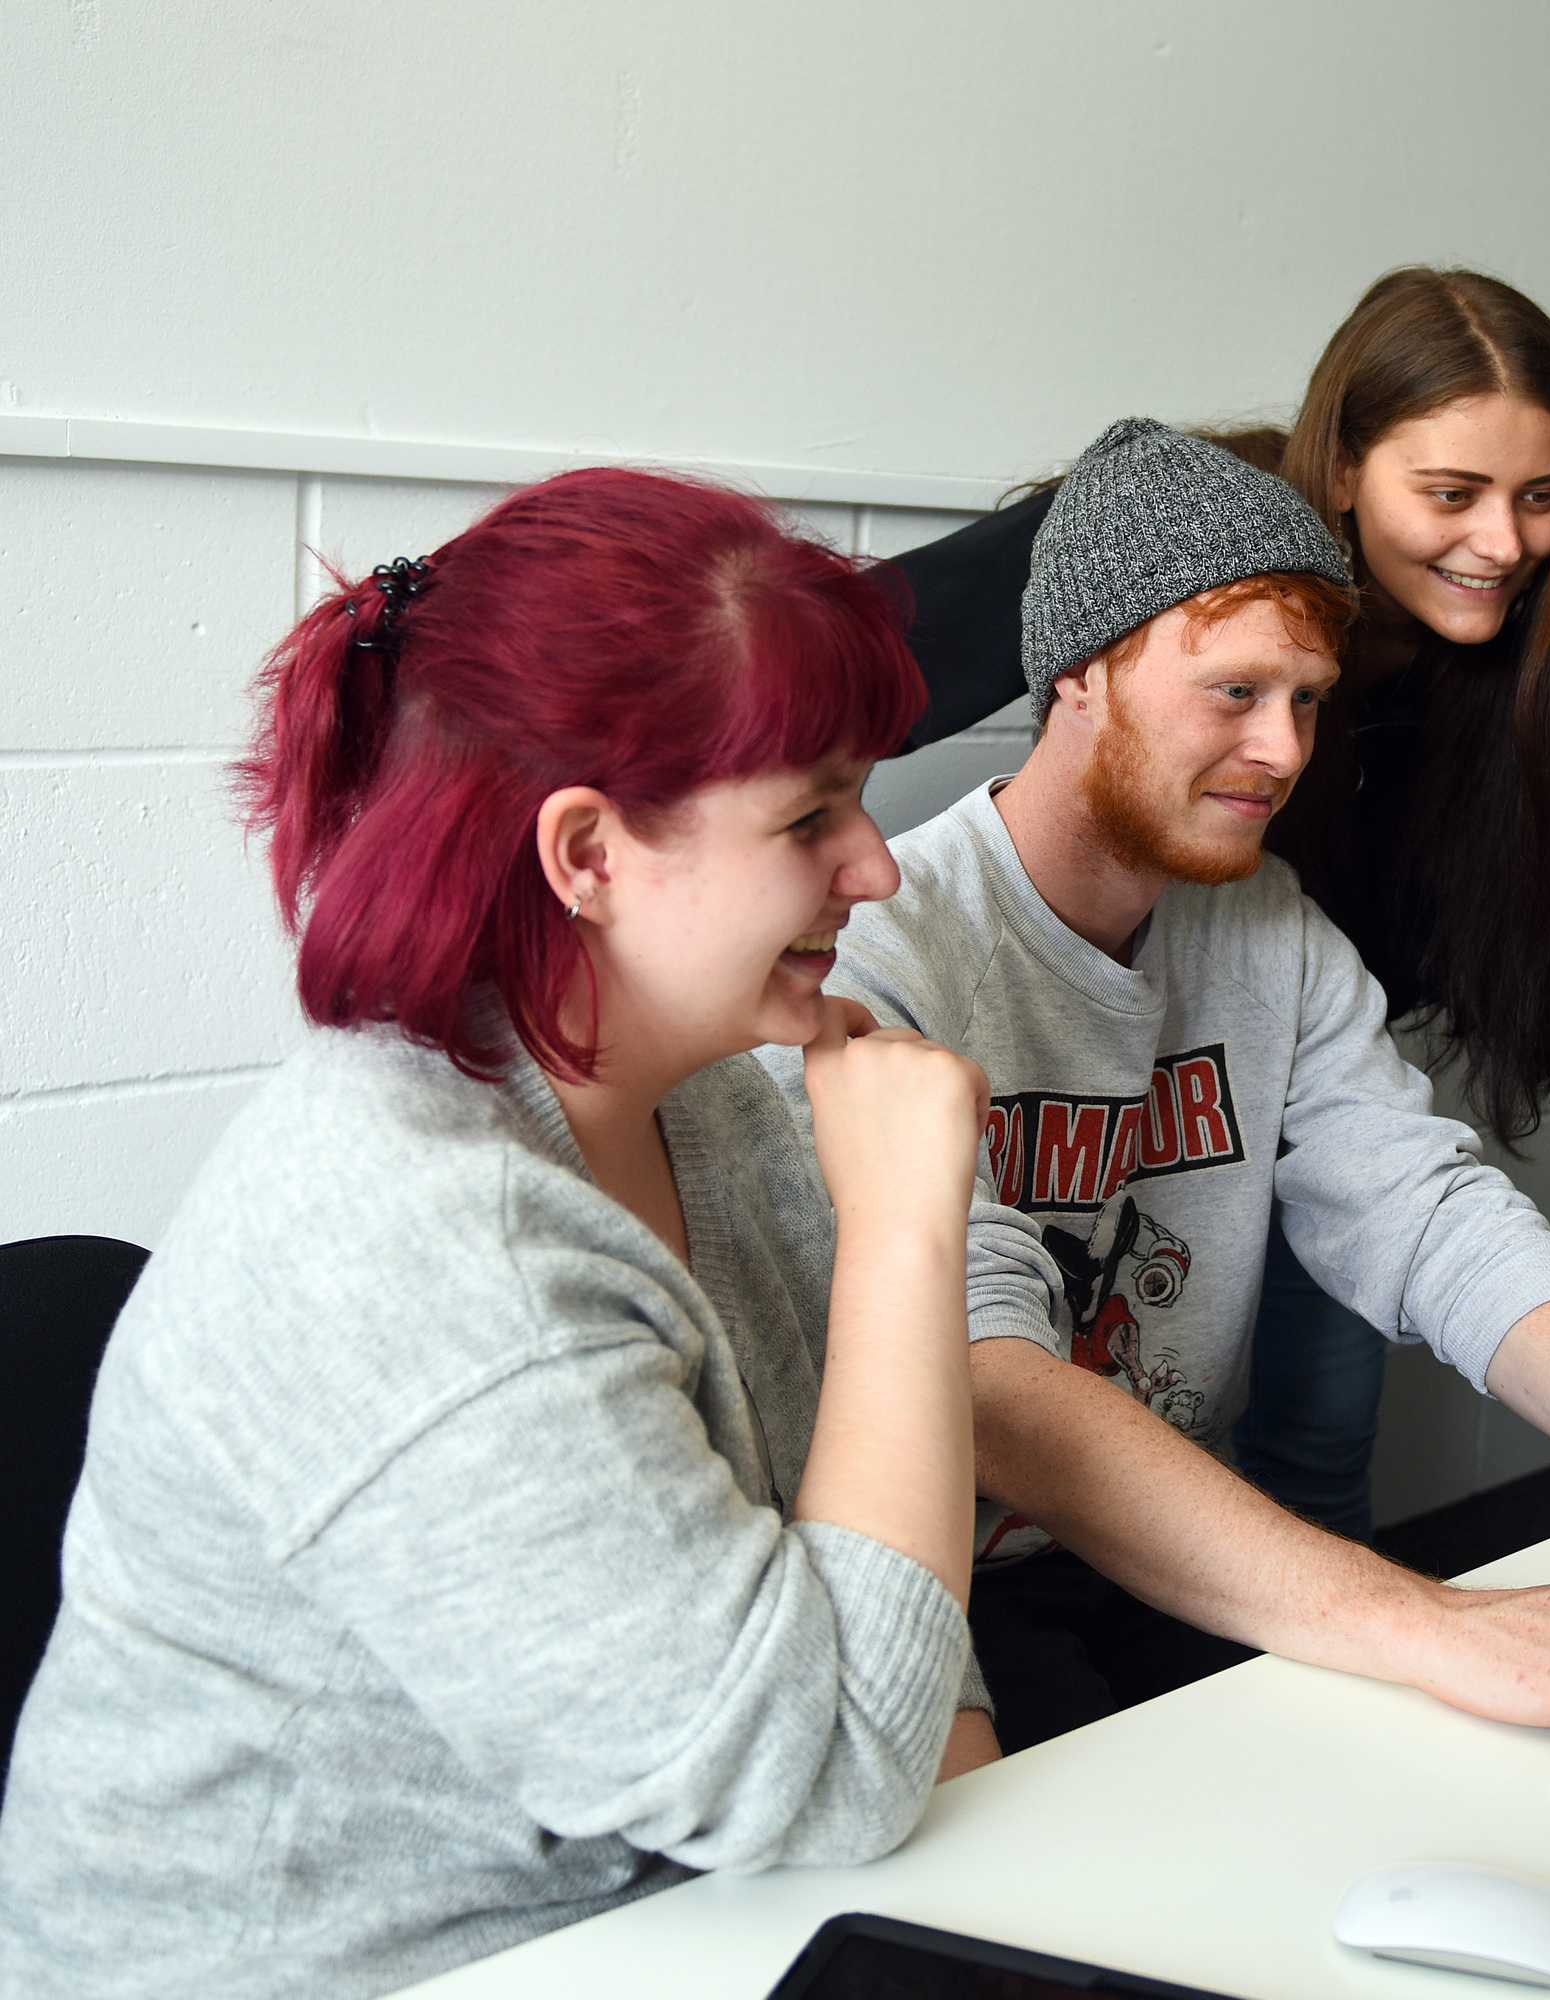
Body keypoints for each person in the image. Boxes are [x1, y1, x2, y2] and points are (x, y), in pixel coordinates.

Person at [0, 470, 1007, 1999]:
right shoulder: (424, 1247)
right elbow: (831, 1773)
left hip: (676, 1919)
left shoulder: (707, 1098)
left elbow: (877, 1554)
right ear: (587, 854)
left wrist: (980, 1856)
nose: (874, 866)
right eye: (811, 816)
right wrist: (902, 1240)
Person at [774, 417, 1550, 1765]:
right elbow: (996, 1386)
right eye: (1235, 692)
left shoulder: (1268, 927)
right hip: (936, 1599)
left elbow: (1427, 1213)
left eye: (1307, 699)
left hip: (1178, 1547)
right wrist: (1436, 1621)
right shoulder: (878, 950)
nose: (1281, 748)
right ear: (1079, 670)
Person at [877, 268, 1550, 1541]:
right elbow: (841, 659)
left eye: (1540, 496)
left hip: (1304, 1055)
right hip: (1116, 1088)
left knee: (1317, 1440)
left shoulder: (1319, 918)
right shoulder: (1181, 538)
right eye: (1450, 493)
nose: (1501, 542)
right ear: (1340, 472)